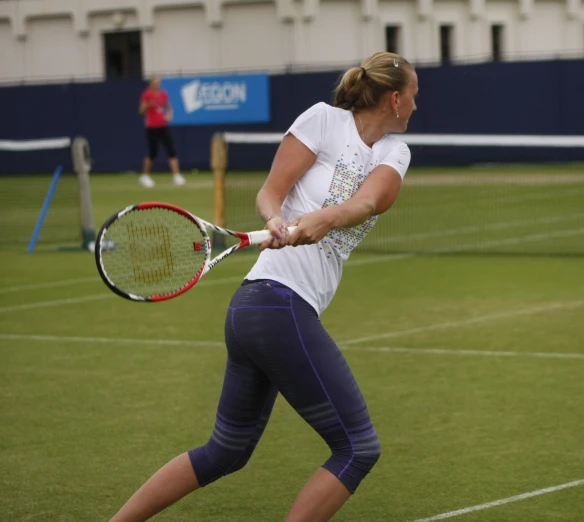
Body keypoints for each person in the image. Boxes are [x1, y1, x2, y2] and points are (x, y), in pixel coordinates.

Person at [109, 51, 417, 522]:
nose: (417, 106)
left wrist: (325, 218)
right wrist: (275, 218)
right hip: (274, 306)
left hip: (259, 313)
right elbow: (270, 191)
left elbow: (371, 200)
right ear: (395, 99)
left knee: (226, 452)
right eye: (414, 96)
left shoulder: (395, 151)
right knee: (358, 448)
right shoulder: (322, 120)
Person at [138, 76, 185, 187]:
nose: (157, 84)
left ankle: (177, 176)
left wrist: (169, 115)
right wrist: (147, 106)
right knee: (153, 152)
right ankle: (144, 176)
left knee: (171, 149)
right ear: (151, 83)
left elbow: (169, 108)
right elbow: (141, 112)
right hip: (151, 127)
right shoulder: (147, 95)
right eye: (155, 82)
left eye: (158, 82)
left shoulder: (163, 94)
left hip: (163, 126)